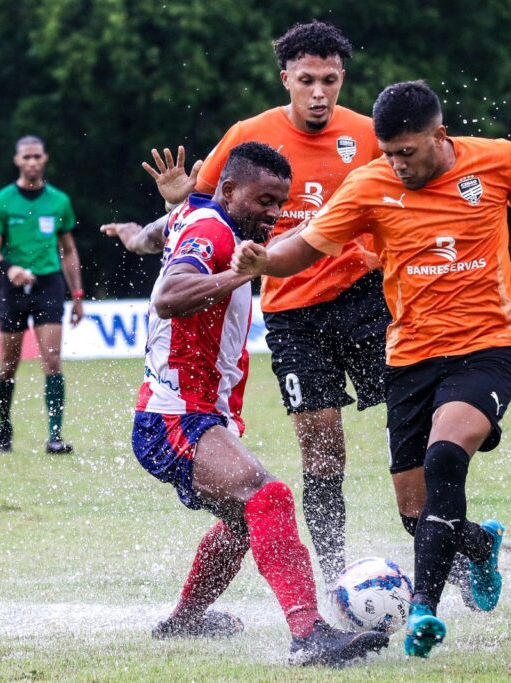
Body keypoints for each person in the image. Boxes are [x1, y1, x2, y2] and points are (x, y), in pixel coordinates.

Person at [232, 81, 511, 658]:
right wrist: (266, 259)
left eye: (407, 152)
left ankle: (423, 613)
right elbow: (309, 246)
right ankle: (478, 544)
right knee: (418, 515)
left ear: (439, 136)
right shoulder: (369, 185)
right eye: (388, 153)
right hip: (409, 357)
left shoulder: (498, 160)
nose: (397, 164)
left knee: (445, 458)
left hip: (487, 347)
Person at [104, 21, 390, 591]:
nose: (317, 92)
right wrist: (146, 230)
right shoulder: (248, 135)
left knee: (416, 417)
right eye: (305, 79)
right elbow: (198, 214)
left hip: (366, 298)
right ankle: (334, 577)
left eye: (329, 80)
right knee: (322, 449)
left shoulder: (371, 133)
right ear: (285, 78)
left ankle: (443, 536)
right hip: (291, 310)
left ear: (342, 80)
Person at [129, 141, 388, 666]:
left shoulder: (209, 217)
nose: (273, 213)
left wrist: (180, 205)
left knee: (245, 523)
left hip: (196, 412)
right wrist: (239, 274)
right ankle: (308, 635)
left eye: (280, 202)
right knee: (266, 496)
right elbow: (168, 295)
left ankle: (187, 620)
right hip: (174, 416)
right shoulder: (213, 232)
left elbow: (183, 228)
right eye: (263, 200)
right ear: (227, 190)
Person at [0, 135, 84, 454]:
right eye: (26, 157)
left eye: (36, 156)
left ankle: (54, 435)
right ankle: (4, 424)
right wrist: (10, 268)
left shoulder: (58, 201)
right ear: (17, 161)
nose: (32, 162)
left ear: (45, 159)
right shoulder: (1, 200)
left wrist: (78, 294)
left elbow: (68, 250)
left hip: (48, 284)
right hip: (11, 287)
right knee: (8, 365)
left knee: (52, 360)